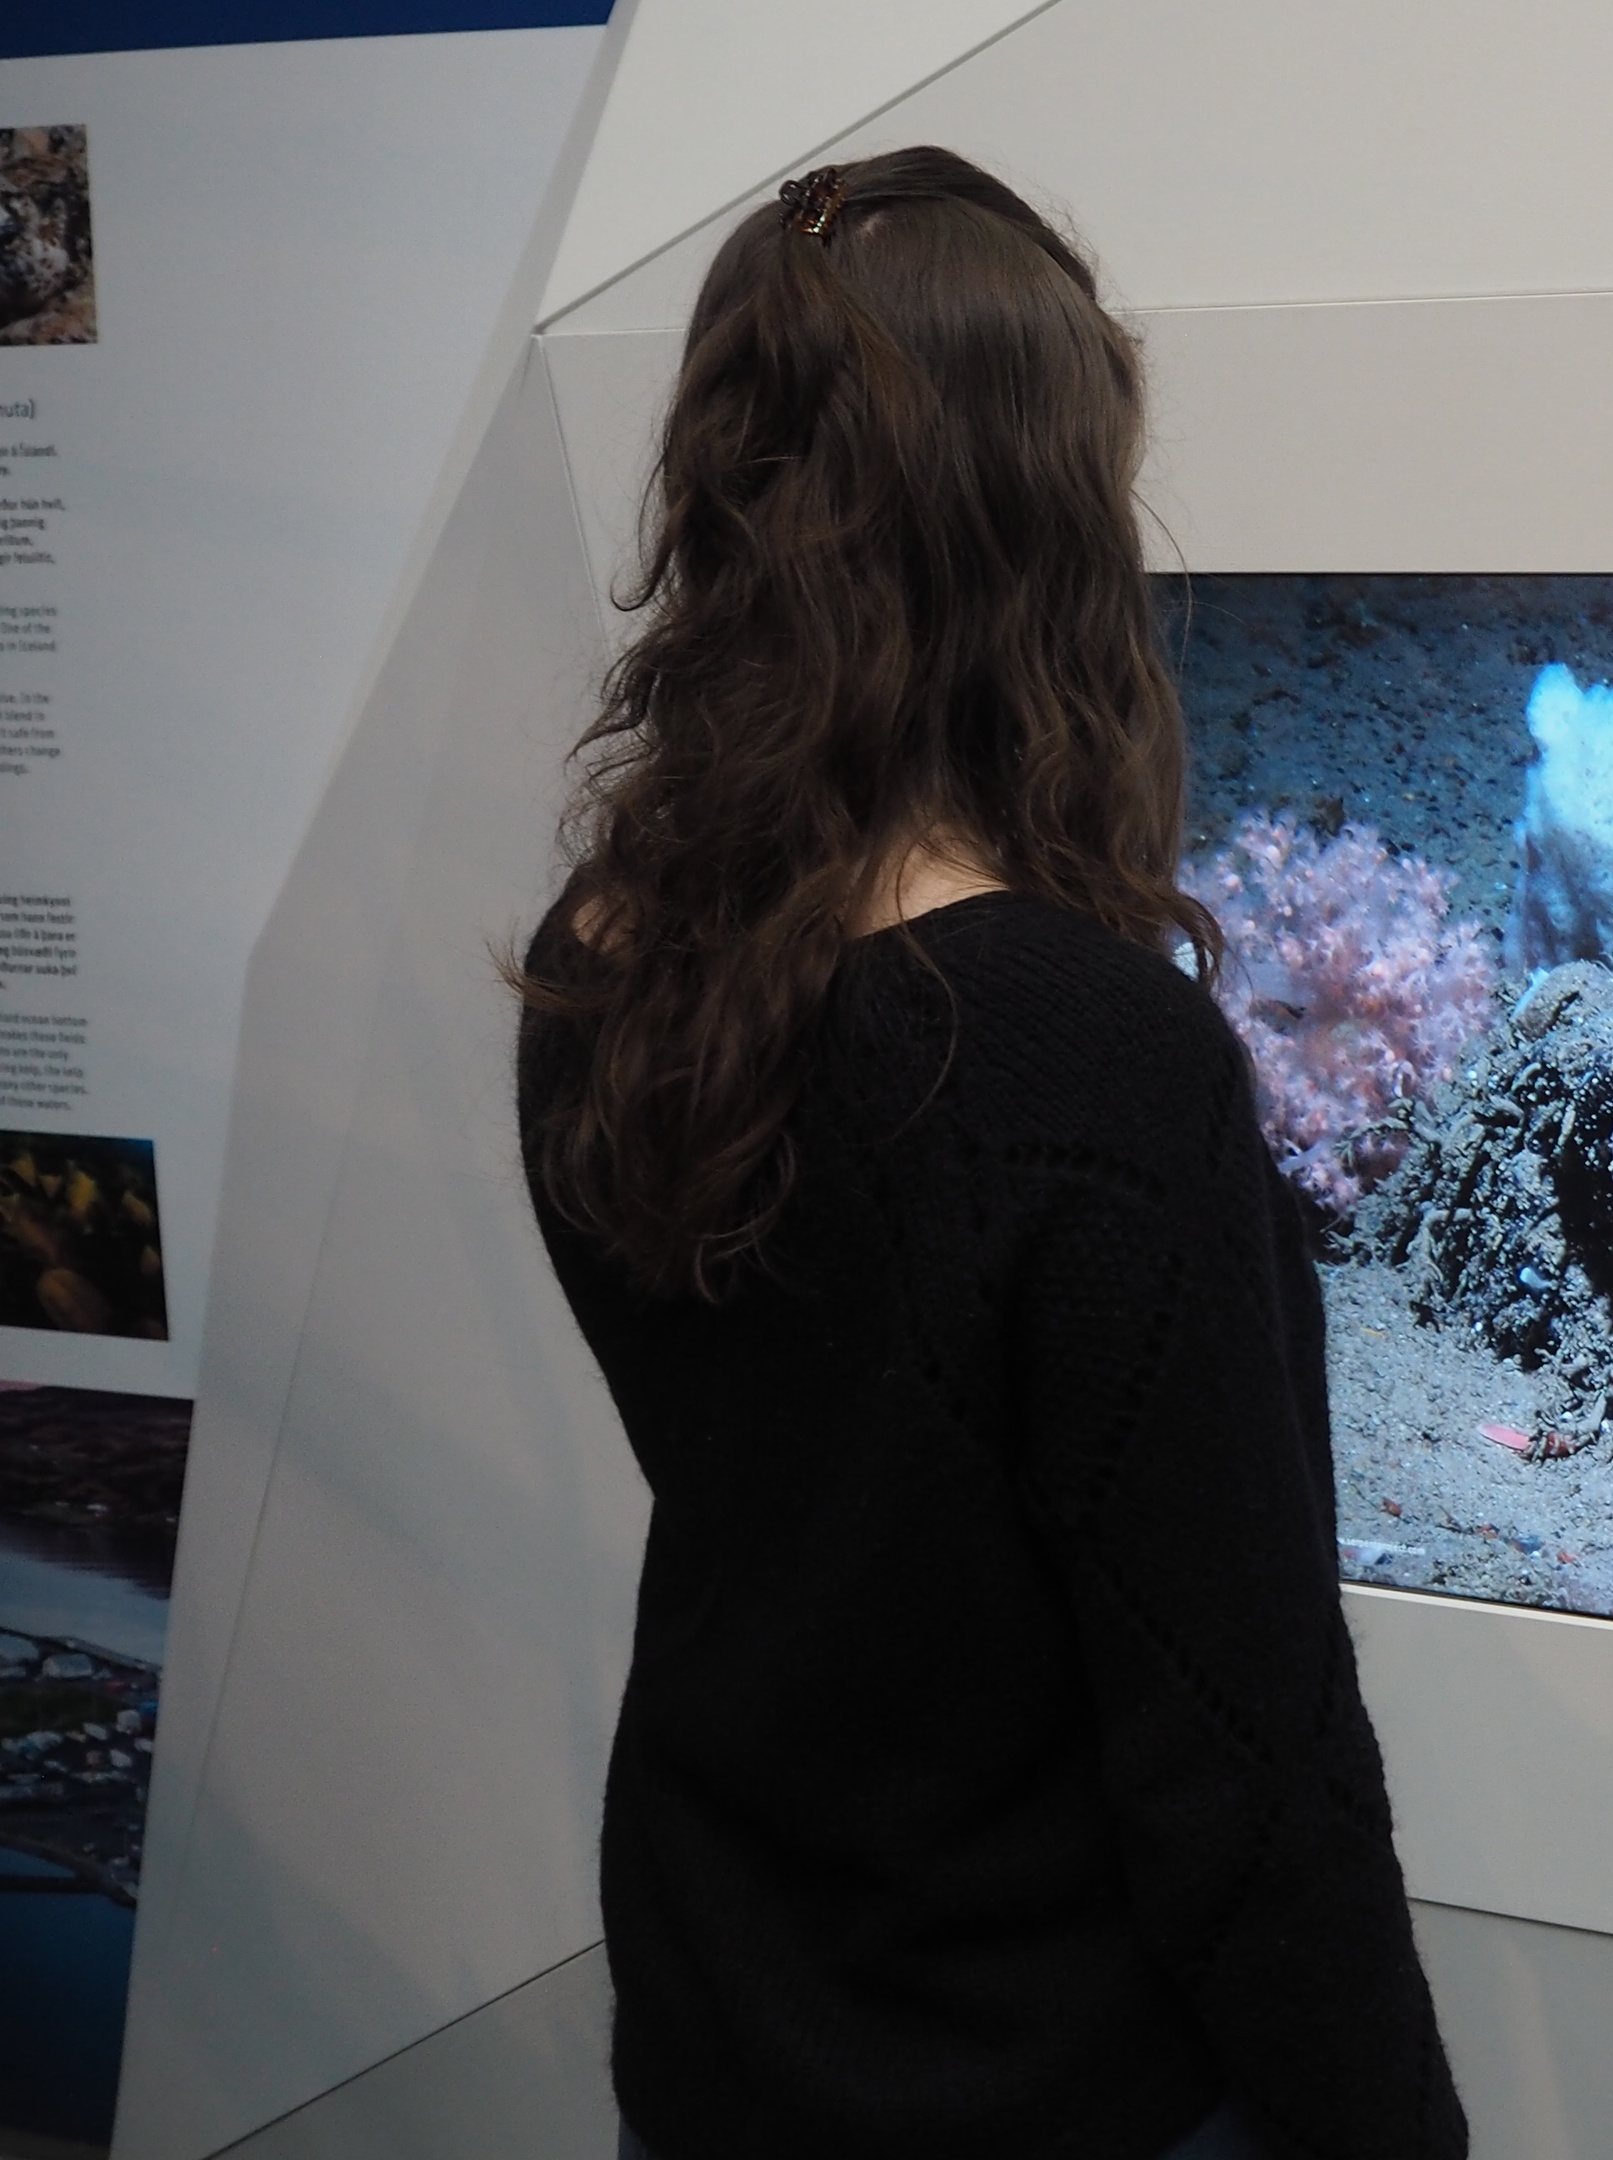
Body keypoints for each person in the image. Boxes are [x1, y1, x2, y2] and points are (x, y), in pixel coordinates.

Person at [511, 149, 1465, 2160]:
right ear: (1039, 532)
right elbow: (1242, 1758)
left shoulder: (605, 971)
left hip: (724, 2018)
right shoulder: (1085, 1060)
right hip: (1052, 2090)